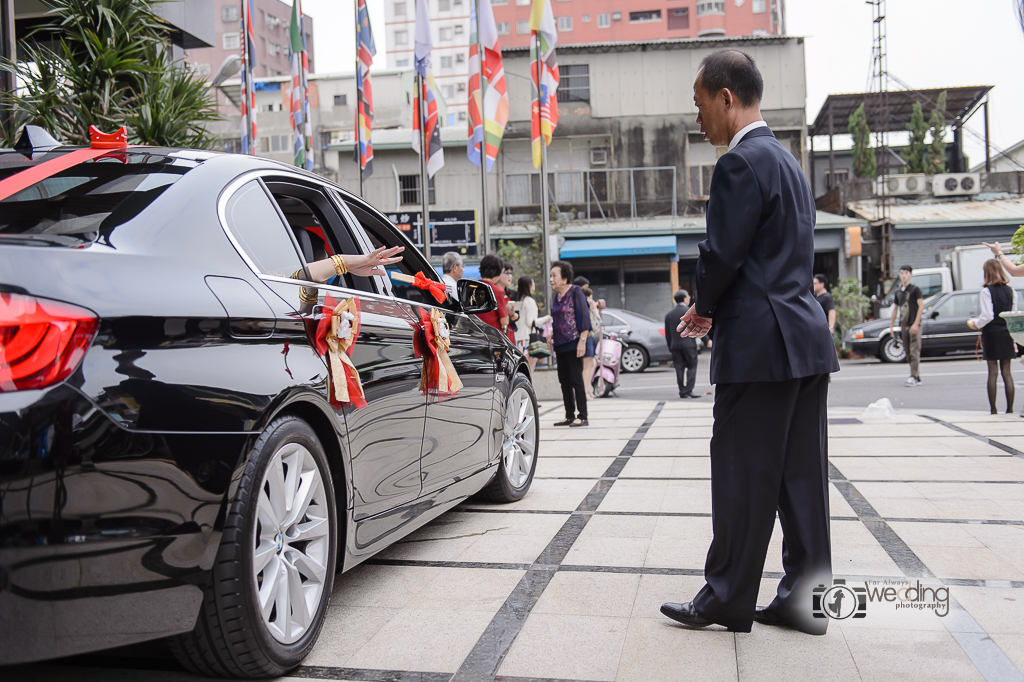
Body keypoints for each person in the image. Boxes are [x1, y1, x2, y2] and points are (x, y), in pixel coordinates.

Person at [661, 50, 839, 636]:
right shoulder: (787, 162)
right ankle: (805, 602)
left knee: (740, 471)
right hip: (804, 340)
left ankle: (726, 598)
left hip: (762, 346)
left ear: (726, 99)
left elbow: (723, 253)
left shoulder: (740, 163)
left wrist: (701, 307)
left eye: (700, 105)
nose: (699, 120)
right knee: (802, 478)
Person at [550, 260, 591, 427]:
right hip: (560, 344)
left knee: (576, 379)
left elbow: (584, 317)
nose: (551, 279)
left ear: (565, 278)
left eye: (554, 276)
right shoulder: (557, 296)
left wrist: (582, 340)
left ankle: (582, 415)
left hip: (574, 343)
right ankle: (569, 415)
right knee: (564, 379)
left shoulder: (575, 291)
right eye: (551, 276)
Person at [974, 259, 1018, 414]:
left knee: (993, 372)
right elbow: (1012, 315)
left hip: (992, 333)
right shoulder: (1011, 291)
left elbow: (987, 315)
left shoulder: (986, 291)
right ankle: (1010, 410)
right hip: (1006, 332)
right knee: (1007, 371)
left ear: (987, 272)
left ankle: (993, 410)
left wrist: (976, 324)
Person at [889, 265, 923, 387]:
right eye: (902, 273)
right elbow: (895, 309)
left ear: (911, 275)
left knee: (914, 351)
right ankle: (917, 376)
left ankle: (913, 376)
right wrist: (891, 326)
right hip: (903, 324)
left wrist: (916, 324)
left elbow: (921, 306)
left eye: (906, 273)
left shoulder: (915, 289)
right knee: (908, 351)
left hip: (914, 324)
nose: (904, 275)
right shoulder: (898, 292)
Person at [665, 290, 700, 399]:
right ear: (685, 299)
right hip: (689, 345)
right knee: (692, 367)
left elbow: (668, 333)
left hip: (675, 346)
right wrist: (706, 340)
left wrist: (670, 346)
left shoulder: (669, 315)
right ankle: (689, 390)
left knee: (679, 368)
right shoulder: (690, 312)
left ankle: (682, 390)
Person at [513, 275, 551, 373]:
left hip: (520, 339)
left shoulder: (521, 300)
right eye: (532, 282)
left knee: (523, 371)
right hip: (528, 340)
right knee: (529, 371)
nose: (534, 285)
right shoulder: (529, 301)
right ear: (529, 285)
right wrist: (546, 318)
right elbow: (531, 322)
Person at [475, 254, 513, 343]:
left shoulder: (472, 287)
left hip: (475, 336)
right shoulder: (497, 291)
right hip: (492, 339)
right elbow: (504, 321)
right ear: (498, 272)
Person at [581, 286, 602, 397]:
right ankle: (585, 391)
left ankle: (587, 389)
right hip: (588, 338)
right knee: (587, 366)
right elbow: (598, 322)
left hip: (588, 338)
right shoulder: (587, 307)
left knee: (592, 363)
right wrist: (594, 309)